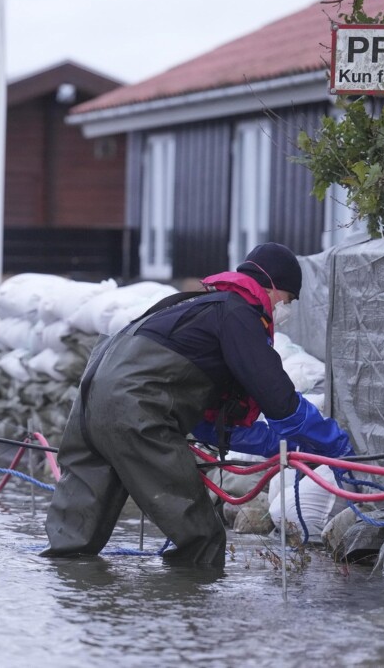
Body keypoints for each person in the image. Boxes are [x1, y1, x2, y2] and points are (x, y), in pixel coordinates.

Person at [41, 242, 354, 567]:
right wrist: (336, 447)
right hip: (136, 411)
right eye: (287, 301)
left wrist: (283, 448)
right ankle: (183, 615)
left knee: (73, 540)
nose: (284, 311)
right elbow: (281, 402)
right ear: (273, 288)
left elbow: (211, 424)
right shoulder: (238, 314)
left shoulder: (196, 309)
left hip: (90, 403)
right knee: (202, 541)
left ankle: (72, 606)